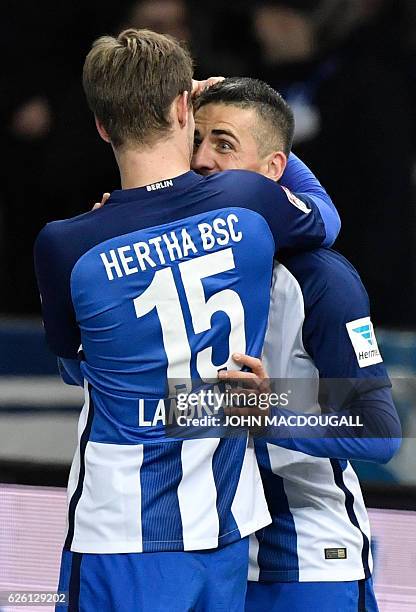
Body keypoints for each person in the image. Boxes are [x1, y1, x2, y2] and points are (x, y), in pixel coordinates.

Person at [34, 31, 340, 611]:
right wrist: (275, 145)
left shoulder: (66, 245)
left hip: (121, 534)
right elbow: (324, 213)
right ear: (184, 107)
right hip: (225, 527)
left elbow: (75, 368)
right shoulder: (248, 198)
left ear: (102, 127)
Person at [192, 77, 401, 612]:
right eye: (193, 140)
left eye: (223, 143)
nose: (201, 160)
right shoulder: (177, 268)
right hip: (203, 558)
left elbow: (380, 430)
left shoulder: (323, 281)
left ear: (274, 171)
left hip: (306, 565)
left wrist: (269, 408)